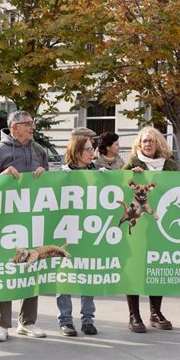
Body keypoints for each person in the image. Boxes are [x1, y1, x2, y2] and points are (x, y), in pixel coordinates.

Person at [0, 110, 48, 342]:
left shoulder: (38, 150)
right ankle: (2, 324)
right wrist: (2, 174)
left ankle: (28, 322)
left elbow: (51, 185)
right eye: (28, 124)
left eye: (32, 124)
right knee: (8, 268)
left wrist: (44, 176)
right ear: (14, 128)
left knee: (32, 267)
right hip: (8, 220)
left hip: (33, 218)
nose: (32, 128)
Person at [122, 127, 178, 333]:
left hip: (159, 225)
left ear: (158, 144)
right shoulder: (132, 164)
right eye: (144, 141)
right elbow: (120, 184)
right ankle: (134, 315)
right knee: (135, 267)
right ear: (139, 144)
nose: (147, 144)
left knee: (157, 265)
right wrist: (129, 174)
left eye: (151, 141)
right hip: (137, 226)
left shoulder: (170, 166)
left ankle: (156, 312)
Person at [57, 134, 98, 336]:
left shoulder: (99, 174)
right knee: (64, 277)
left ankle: (88, 319)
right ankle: (65, 320)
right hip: (66, 233)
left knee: (88, 275)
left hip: (89, 233)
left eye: (93, 149)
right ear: (77, 151)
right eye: (88, 149)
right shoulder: (62, 174)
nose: (92, 153)